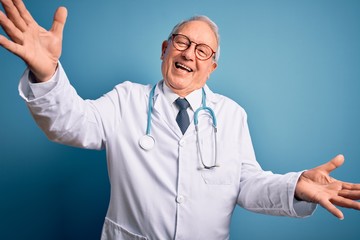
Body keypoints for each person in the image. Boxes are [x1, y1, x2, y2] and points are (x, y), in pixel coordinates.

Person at [1, 1, 359, 239]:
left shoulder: (232, 115)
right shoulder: (127, 99)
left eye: (203, 51)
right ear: (165, 50)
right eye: (182, 42)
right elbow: (69, 123)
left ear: (212, 66)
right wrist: (46, 74)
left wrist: (294, 185)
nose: (190, 54)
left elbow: (247, 184)